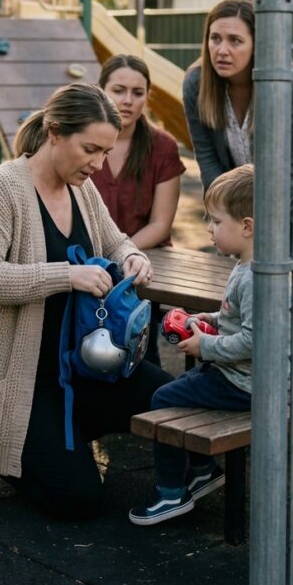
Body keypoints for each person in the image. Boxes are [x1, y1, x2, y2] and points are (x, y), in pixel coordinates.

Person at [0, 83, 172, 517]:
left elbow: (115, 240)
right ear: (55, 132)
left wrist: (133, 257)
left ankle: (57, 433)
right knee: (78, 500)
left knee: (169, 396)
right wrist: (66, 275)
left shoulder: (81, 188)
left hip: (79, 364)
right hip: (22, 376)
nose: (98, 164)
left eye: (105, 152)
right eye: (90, 150)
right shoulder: (2, 188)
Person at [129, 163, 255, 526]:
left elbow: (254, 340)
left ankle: (171, 493)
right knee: (184, 384)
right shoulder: (248, 265)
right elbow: (235, 318)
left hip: (245, 385)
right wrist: (208, 321)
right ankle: (203, 470)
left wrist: (206, 347)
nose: (209, 229)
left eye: (216, 221)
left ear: (247, 227)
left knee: (164, 399)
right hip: (240, 376)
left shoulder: (254, 279)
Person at [182, 0, 293, 245]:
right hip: (244, 182)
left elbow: (288, 170)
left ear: (257, 44)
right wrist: (224, 213)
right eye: (215, 38)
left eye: (235, 40)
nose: (222, 50)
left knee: (284, 251)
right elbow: (207, 158)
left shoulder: (284, 84)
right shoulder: (196, 84)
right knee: (236, 253)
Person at [91, 55, 186, 362]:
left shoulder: (162, 146)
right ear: (101, 90)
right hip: (89, 256)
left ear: (147, 96)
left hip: (144, 259)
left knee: (139, 348)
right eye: (118, 90)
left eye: (137, 92)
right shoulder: (83, 141)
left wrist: (122, 255)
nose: (127, 100)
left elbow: (160, 224)